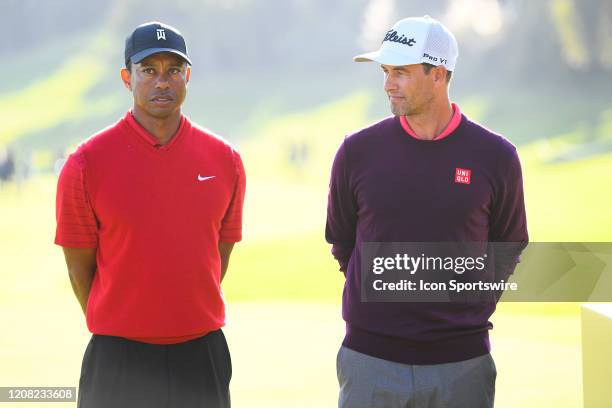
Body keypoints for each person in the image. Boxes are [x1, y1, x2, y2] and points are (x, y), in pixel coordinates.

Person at [326, 16, 528, 408]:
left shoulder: (496, 156)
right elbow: (342, 241)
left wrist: (467, 309)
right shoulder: (357, 152)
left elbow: (509, 245)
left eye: (400, 72)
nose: (387, 84)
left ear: (438, 74)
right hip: (370, 358)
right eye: (385, 72)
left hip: (462, 362)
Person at [55, 21, 245, 408]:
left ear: (187, 76)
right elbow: (79, 269)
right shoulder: (86, 163)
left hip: (201, 354)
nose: (162, 82)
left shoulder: (225, 160)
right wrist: (123, 317)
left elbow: (217, 255)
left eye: (173, 70)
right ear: (127, 78)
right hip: (118, 358)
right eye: (149, 71)